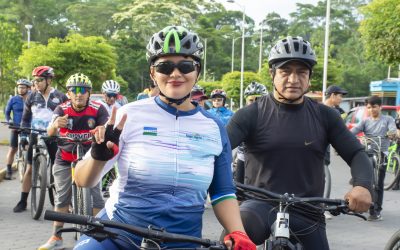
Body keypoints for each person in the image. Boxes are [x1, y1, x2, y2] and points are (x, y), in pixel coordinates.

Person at [73, 25, 255, 250]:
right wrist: (98, 157)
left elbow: (222, 192)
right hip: (120, 234)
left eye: (185, 65)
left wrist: (238, 232)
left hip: (182, 241)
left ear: (197, 72)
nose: (175, 74)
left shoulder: (213, 127)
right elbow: (82, 180)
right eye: (165, 66)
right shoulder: (127, 115)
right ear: (153, 73)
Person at [226, 36, 372, 249]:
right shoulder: (250, 114)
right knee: (232, 239)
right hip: (259, 205)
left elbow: (357, 153)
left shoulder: (326, 116)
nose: (293, 79)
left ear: (309, 77)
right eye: (285, 72)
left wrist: (363, 186)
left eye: (301, 72)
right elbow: (218, 150)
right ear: (272, 74)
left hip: (308, 210)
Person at [38, 73, 108, 250]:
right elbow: (50, 131)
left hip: (89, 157)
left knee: (96, 197)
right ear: (68, 93)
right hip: (65, 156)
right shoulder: (61, 109)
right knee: (62, 197)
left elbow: (107, 128)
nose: (79, 94)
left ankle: (96, 234)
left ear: (89, 93)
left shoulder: (98, 109)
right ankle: (56, 236)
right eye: (74, 90)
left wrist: (102, 129)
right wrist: (55, 125)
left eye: (83, 90)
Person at [13, 66, 68, 213]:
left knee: (58, 169)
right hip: (35, 134)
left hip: (53, 136)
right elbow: (25, 119)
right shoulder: (31, 96)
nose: (36, 83)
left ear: (49, 80)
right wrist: (23, 136)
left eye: (40, 80)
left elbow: (68, 116)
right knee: (29, 168)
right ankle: (23, 201)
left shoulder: (60, 96)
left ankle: (63, 202)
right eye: (34, 80)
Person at [351, 95, 396, 221]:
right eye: (369, 107)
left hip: (382, 153)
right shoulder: (365, 121)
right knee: (367, 181)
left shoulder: (388, 119)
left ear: (380, 107)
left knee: (379, 183)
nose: (371, 110)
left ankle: (376, 210)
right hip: (368, 153)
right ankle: (367, 203)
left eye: (374, 107)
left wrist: (391, 134)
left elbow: (393, 130)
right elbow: (353, 131)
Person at [235, 82, 268, 184]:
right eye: (251, 100)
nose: (255, 103)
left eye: (259, 99)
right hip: (246, 160)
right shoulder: (242, 116)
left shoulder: (274, 116)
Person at [4, 79, 31, 180]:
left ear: (28, 88)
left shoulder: (31, 99)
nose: (20, 89)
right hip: (15, 127)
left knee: (29, 148)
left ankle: (31, 169)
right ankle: (9, 171)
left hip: (28, 127)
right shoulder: (13, 99)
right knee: (12, 149)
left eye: (23, 87)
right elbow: (7, 113)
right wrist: (9, 120)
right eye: (19, 87)